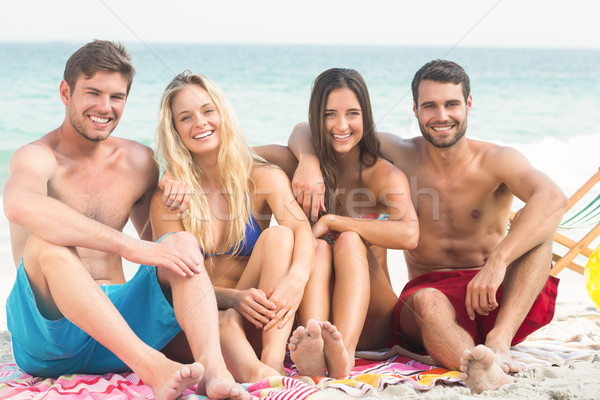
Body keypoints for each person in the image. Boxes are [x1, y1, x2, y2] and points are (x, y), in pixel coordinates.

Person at [287, 59, 567, 393]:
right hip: (429, 299)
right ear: (416, 110)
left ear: (469, 104)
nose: (442, 116)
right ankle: (476, 364)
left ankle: (499, 344)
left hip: (496, 296)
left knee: (540, 232)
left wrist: (498, 261)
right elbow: (313, 128)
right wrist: (308, 160)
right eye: (429, 106)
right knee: (426, 301)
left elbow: (553, 198)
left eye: (451, 104)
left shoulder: (497, 159)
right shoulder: (398, 153)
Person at [3, 40, 248, 400]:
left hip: (122, 330)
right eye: (93, 93)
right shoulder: (37, 158)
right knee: (44, 244)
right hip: (49, 338)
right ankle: (151, 367)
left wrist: (172, 187)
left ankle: (214, 373)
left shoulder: (139, 161)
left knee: (181, 243)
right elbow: (19, 205)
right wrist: (128, 246)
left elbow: (167, 264)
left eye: (117, 97)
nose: (105, 107)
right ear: (65, 91)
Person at [151, 71, 315, 381]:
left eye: (208, 110)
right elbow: (167, 282)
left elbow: (301, 231)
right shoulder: (171, 196)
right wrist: (231, 299)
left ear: (222, 114)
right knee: (224, 323)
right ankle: (263, 377)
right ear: (174, 130)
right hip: (193, 326)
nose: (200, 122)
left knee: (279, 236)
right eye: (185, 117)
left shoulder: (263, 177)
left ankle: (273, 359)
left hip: (255, 319)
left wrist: (297, 277)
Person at [269, 68, 417, 379]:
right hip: (313, 317)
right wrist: (308, 159)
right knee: (319, 249)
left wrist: (335, 220)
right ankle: (315, 345)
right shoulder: (301, 166)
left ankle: (344, 354)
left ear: (367, 115)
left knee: (348, 239)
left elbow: (409, 233)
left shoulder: (381, 174)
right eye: (329, 115)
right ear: (315, 118)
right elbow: (229, 157)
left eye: (352, 113)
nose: (341, 125)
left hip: (372, 319)